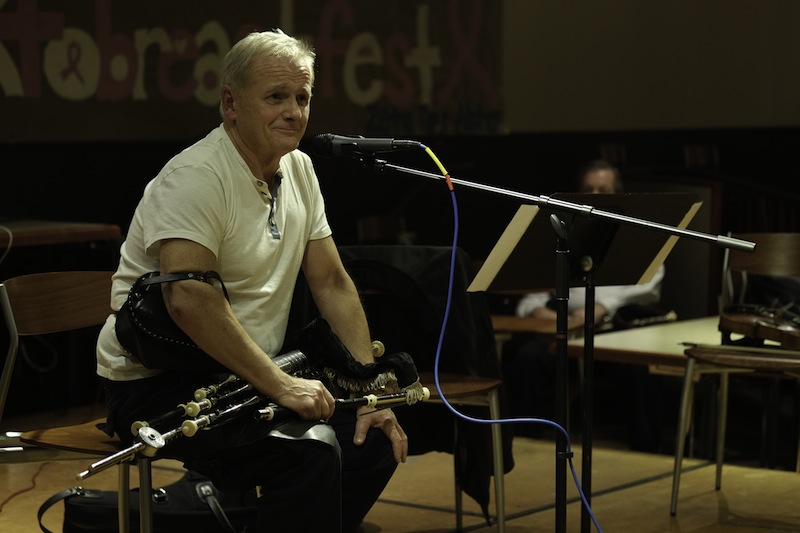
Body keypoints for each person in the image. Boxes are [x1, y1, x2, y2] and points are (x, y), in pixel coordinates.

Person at [95, 29, 407, 533]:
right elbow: (188, 301)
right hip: (159, 384)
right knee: (311, 454)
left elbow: (331, 282)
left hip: (247, 374)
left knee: (371, 441)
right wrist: (282, 385)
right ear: (230, 103)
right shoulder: (196, 176)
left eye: (302, 98)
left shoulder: (301, 169)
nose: (294, 111)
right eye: (276, 97)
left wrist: (371, 390)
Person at [505, 159, 667, 450]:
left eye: (602, 189)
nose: (595, 195)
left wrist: (603, 307)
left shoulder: (634, 234)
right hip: (563, 329)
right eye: (588, 189)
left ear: (617, 193)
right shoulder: (564, 231)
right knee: (527, 359)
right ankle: (523, 445)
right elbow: (533, 294)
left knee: (640, 370)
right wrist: (540, 314)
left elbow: (652, 282)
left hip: (613, 330)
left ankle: (648, 449)